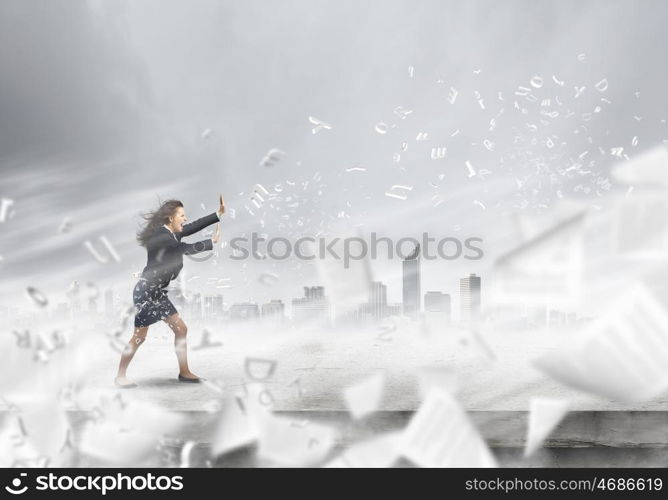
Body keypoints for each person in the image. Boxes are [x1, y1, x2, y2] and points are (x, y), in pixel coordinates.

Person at [114, 195, 225, 388]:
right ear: (170, 218)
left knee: (181, 329)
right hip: (146, 293)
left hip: (157, 292)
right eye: (182, 215)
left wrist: (217, 214)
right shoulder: (162, 237)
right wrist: (211, 242)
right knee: (139, 337)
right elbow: (183, 249)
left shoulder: (172, 232)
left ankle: (184, 372)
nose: (185, 219)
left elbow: (193, 227)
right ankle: (120, 376)